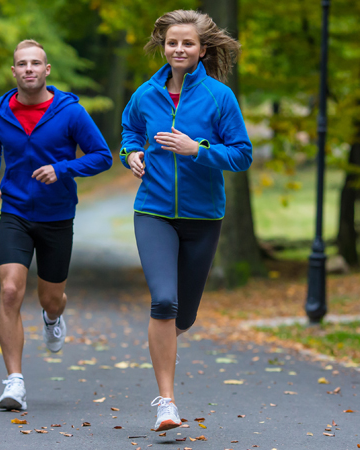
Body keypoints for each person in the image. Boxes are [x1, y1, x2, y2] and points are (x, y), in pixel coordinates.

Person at [119, 10, 252, 431]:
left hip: (203, 216)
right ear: (163, 46)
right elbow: (127, 132)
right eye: (172, 42)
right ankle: (167, 403)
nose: (179, 49)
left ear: (202, 49)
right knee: (163, 301)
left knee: (184, 317)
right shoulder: (145, 94)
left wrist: (198, 150)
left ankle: (162, 351)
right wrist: (131, 154)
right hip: (153, 211)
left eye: (188, 43)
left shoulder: (219, 97)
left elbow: (242, 153)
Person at [0, 40, 113, 411]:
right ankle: (15, 383)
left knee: (50, 298)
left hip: (56, 217)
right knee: (9, 291)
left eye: (35, 63)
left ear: (47, 69)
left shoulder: (70, 113)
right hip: (15, 214)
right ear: (14, 71)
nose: (28, 69)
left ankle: (53, 317)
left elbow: (103, 157)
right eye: (21, 64)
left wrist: (62, 169)